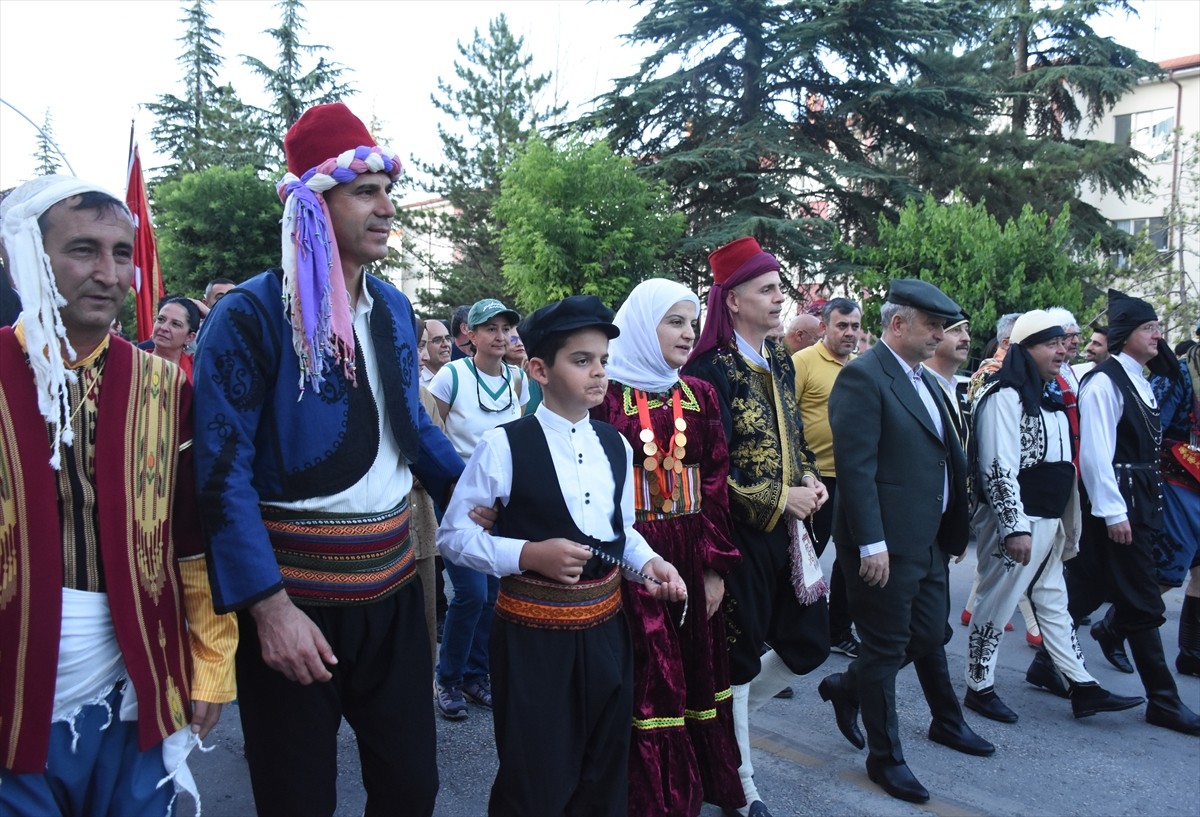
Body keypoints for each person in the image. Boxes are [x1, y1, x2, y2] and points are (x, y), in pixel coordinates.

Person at [192, 103, 464, 816]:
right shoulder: (248, 316)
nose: (387, 207)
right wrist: (269, 607)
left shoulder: (396, 308)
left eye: (387, 189)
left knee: (411, 789)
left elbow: (413, 431)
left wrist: (498, 503)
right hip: (295, 600)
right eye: (365, 191)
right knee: (297, 799)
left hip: (396, 590)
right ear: (315, 201)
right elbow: (222, 475)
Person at [0, 175, 237, 815]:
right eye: (83, 250)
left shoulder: (163, 388)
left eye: (122, 253)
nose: (110, 273)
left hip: (137, 680)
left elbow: (192, 536)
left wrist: (211, 663)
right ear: (26, 256)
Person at [438, 294, 687, 817]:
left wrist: (649, 566)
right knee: (536, 776)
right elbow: (453, 537)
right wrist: (527, 553)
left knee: (603, 772)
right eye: (581, 360)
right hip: (532, 641)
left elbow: (622, 532)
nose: (598, 373)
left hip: (605, 635)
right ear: (538, 370)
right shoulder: (503, 445)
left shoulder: (616, 444)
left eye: (602, 360)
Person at [683, 236, 829, 817]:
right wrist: (777, 497)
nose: (778, 300)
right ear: (733, 300)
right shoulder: (706, 371)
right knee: (737, 661)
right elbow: (709, 473)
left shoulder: (779, 361)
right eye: (766, 290)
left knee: (808, 645)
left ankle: (719, 733)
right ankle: (742, 783)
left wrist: (813, 480)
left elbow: (796, 441)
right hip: (737, 534)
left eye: (778, 289)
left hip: (791, 534)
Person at [593, 278, 744, 817]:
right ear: (640, 325)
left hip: (690, 547)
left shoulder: (699, 396)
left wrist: (713, 568)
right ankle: (654, 798)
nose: (688, 333)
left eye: (692, 322)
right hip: (633, 553)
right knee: (652, 677)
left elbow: (715, 486)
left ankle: (702, 784)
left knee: (697, 669)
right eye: (674, 321)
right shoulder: (606, 394)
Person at [819, 279, 970, 804]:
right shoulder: (864, 377)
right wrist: (871, 544)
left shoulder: (924, 380)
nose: (940, 335)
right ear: (898, 324)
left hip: (926, 541)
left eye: (943, 327)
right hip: (884, 545)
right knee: (884, 649)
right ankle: (886, 759)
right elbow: (856, 472)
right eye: (932, 325)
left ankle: (846, 685)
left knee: (929, 634)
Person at [966, 310, 1143, 722]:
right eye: (1051, 343)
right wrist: (1015, 528)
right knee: (997, 603)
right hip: (1020, 524)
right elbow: (998, 468)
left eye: (1063, 342)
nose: (1062, 350)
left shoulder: (1050, 394)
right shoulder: (1003, 394)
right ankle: (979, 686)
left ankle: (1083, 686)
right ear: (1025, 350)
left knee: (1054, 604)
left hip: (1050, 521)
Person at [1068, 289, 1200, 736]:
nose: (1158, 335)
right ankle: (1164, 700)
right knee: (1143, 598)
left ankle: (1049, 663)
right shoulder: (1105, 381)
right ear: (1126, 336)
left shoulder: (1140, 378)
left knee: (1087, 589)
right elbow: (1096, 455)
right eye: (1149, 329)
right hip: (1119, 504)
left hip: (1138, 500)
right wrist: (1112, 512)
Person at [428, 297, 529, 720]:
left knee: (490, 593)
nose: (500, 336)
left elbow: (520, 436)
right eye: (490, 328)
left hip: (498, 501)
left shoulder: (517, 379)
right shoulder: (452, 376)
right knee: (469, 593)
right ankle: (447, 678)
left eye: (506, 328)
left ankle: (475, 675)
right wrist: (452, 487)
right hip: (458, 497)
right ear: (470, 334)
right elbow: (432, 432)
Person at [793, 297, 862, 658]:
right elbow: (786, 418)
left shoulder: (861, 368)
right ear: (824, 327)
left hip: (853, 479)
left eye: (854, 326)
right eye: (842, 325)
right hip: (814, 481)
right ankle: (779, 639)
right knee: (806, 558)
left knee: (850, 559)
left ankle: (838, 631)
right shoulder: (803, 362)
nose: (849, 333)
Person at [1153, 343, 1200, 677]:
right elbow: (1151, 425)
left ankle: (1191, 652)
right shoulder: (1179, 373)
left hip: (1198, 483)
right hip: (1174, 482)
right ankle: (1115, 626)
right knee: (1170, 569)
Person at [151, 295, 200, 382]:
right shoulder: (135, 363)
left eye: (175, 324)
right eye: (161, 319)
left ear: (189, 337)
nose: (164, 327)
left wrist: (209, 313)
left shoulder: (197, 369)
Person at [421, 318, 452, 387]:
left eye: (448, 338)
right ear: (423, 345)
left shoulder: (458, 375)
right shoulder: (416, 383)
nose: (446, 344)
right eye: (437, 340)